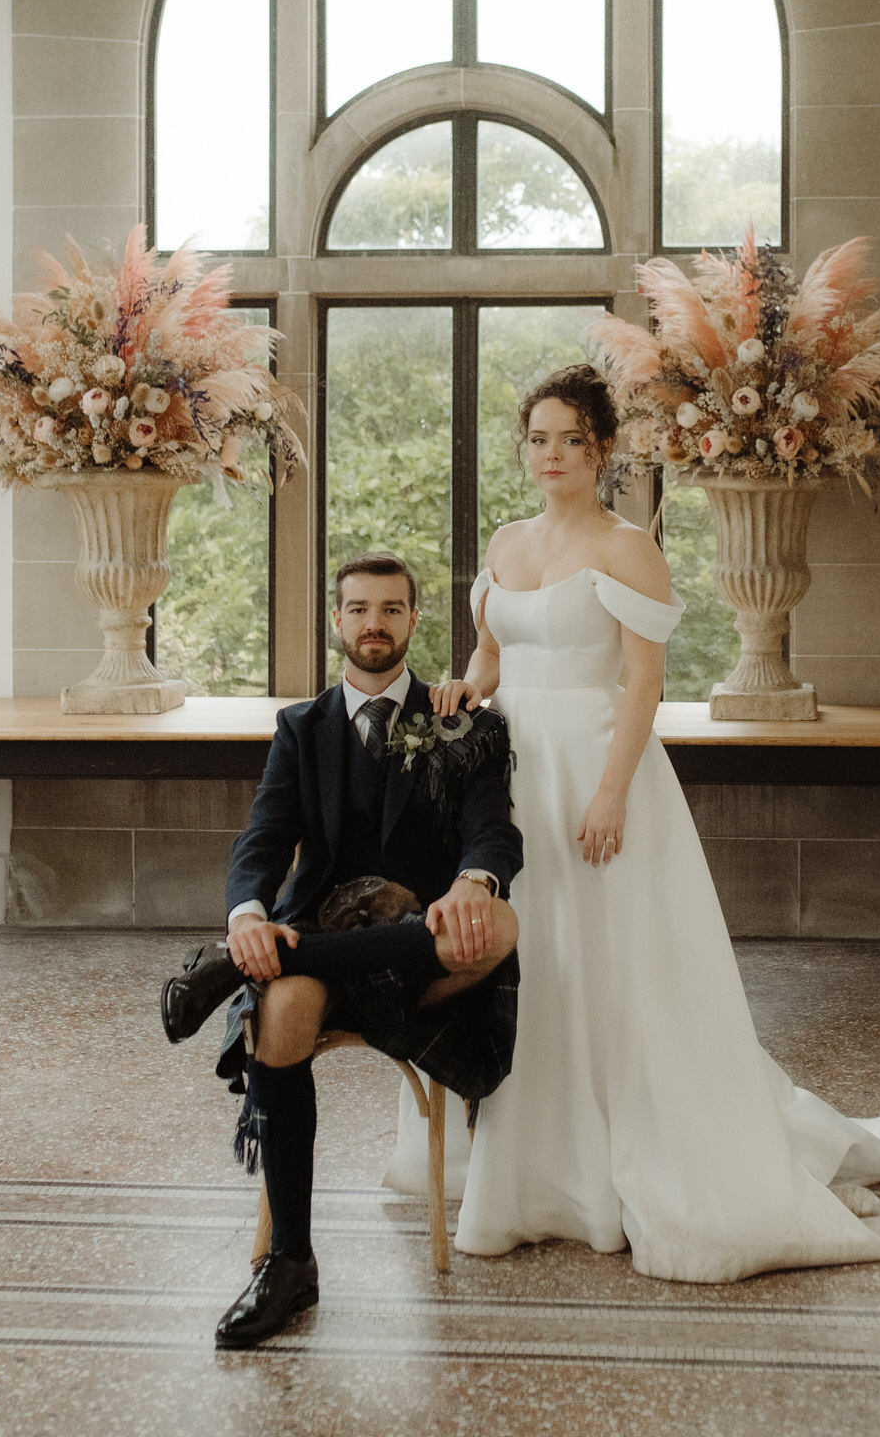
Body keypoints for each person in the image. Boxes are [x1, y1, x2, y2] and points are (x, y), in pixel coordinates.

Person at [425, 365, 880, 1284]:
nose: (550, 456)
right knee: (528, 959)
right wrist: (468, 687)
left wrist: (611, 791)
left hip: (596, 765)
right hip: (510, 777)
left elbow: (644, 682)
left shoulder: (629, 549)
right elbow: (491, 654)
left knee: (611, 962)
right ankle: (532, 1158)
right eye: (537, 439)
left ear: (603, 449)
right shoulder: (505, 542)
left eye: (570, 441)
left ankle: (619, 1155)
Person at [160, 551, 522, 1346]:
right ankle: (289, 1262)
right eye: (358, 609)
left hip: (425, 946)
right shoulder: (301, 728)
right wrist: (247, 915)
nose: (373, 624)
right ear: (337, 621)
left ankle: (247, 970)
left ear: (414, 621)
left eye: (391, 609)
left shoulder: (463, 721)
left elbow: (492, 826)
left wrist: (474, 880)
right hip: (322, 934)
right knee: (284, 1007)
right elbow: (263, 838)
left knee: (498, 926)